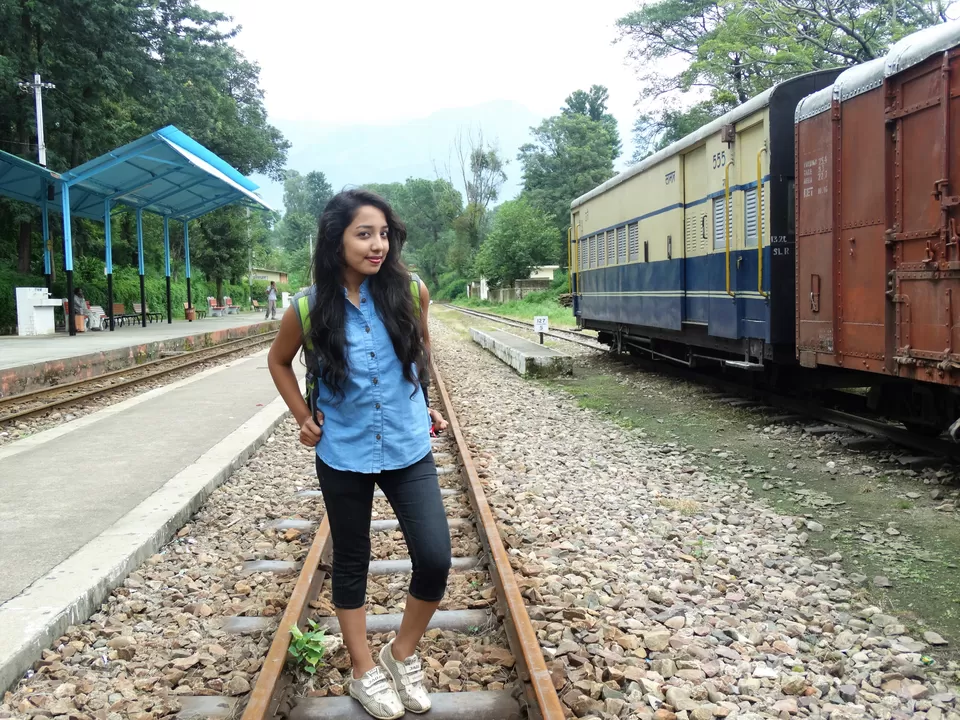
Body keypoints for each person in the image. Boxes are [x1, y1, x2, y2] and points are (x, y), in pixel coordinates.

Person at [267, 189, 451, 720]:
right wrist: (303, 415)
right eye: (363, 234)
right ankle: (363, 670)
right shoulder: (307, 306)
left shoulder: (410, 291)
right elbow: (278, 362)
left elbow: (421, 350)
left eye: (384, 234)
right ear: (336, 239)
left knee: (435, 557)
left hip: (408, 445)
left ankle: (401, 654)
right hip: (343, 450)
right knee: (352, 561)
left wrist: (426, 401)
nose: (377, 245)